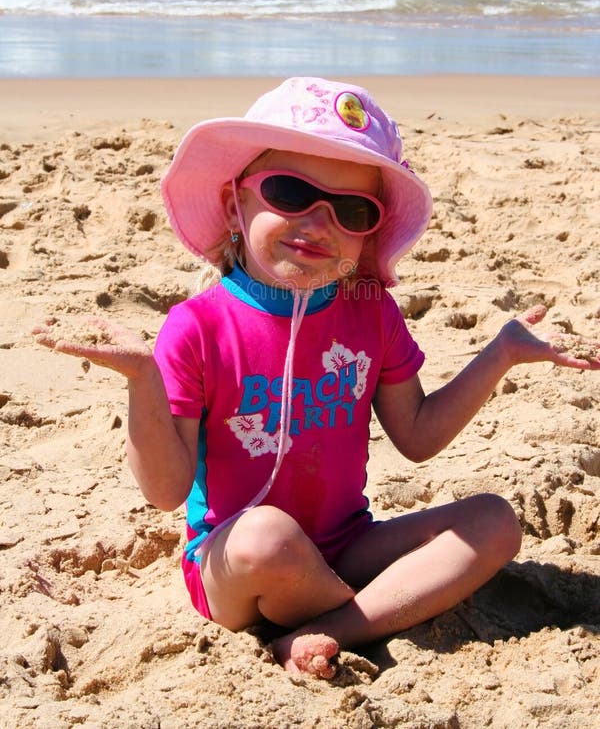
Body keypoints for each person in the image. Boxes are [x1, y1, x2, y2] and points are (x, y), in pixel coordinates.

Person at [34, 77, 599, 680]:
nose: (318, 222)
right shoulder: (197, 326)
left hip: (346, 545)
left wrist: (503, 353)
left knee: (493, 520)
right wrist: (142, 379)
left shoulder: (370, 310)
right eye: (290, 191)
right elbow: (167, 492)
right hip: (236, 565)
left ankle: (328, 629)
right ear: (235, 204)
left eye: (352, 210)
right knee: (268, 536)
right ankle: (367, 612)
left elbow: (418, 436)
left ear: (368, 235)